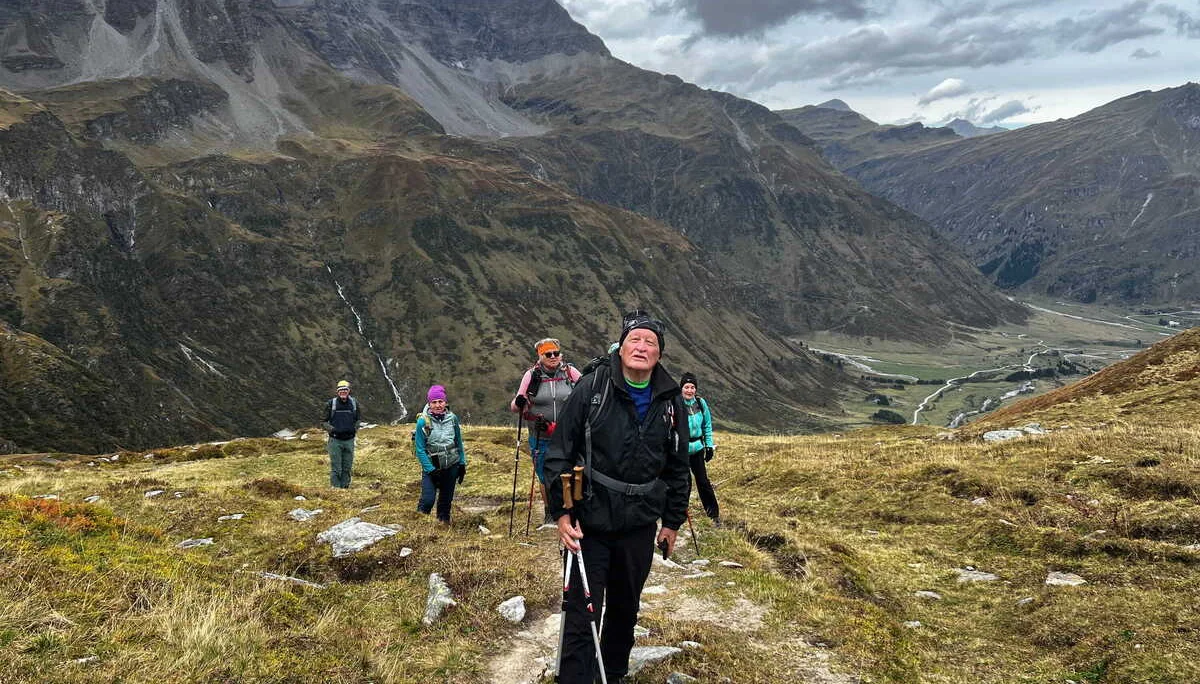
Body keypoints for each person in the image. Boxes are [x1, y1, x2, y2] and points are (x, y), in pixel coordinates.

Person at [545, 311, 690, 684]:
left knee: (625, 609)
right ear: (621, 346)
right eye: (635, 341)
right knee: (582, 611)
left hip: (639, 524)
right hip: (588, 522)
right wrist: (562, 514)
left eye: (650, 343)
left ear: (659, 354)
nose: (641, 347)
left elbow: (677, 465)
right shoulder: (592, 388)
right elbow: (561, 451)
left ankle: (613, 674)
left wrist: (672, 522)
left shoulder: (671, 402)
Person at [510, 338, 582, 523]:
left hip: (568, 434)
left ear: (561, 355)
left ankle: (572, 511)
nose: (552, 357)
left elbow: (586, 391)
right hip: (540, 435)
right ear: (540, 356)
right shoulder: (531, 376)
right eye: (547, 354)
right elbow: (517, 405)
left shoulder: (570, 372)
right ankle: (551, 513)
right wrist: (519, 403)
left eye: (555, 353)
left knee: (572, 472)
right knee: (545, 476)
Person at [415, 385, 466, 523]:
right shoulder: (422, 422)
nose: (438, 405)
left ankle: (443, 528)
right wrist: (430, 471)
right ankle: (418, 525)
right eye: (434, 402)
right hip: (432, 467)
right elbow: (419, 449)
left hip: (452, 465)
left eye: (440, 401)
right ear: (429, 403)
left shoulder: (453, 419)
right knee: (427, 500)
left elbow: (458, 442)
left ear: (445, 402)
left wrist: (462, 464)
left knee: (445, 503)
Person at [680, 372, 719, 523]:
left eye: (692, 387)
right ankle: (680, 514)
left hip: (697, 449)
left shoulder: (701, 403)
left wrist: (709, 446)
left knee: (703, 482)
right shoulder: (677, 404)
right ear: (681, 388)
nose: (689, 390)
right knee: (684, 482)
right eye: (686, 387)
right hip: (681, 450)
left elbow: (707, 426)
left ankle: (713, 514)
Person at [322, 379, 360, 488]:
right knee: (336, 467)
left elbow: (358, 419)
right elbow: (323, 421)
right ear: (337, 392)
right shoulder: (331, 404)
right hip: (335, 441)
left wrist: (354, 429)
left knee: (347, 466)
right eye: (341, 390)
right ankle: (336, 489)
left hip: (349, 440)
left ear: (348, 391)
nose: (343, 392)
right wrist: (332, 430)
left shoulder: (354, 403)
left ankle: (345, 488)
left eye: (345, 390)